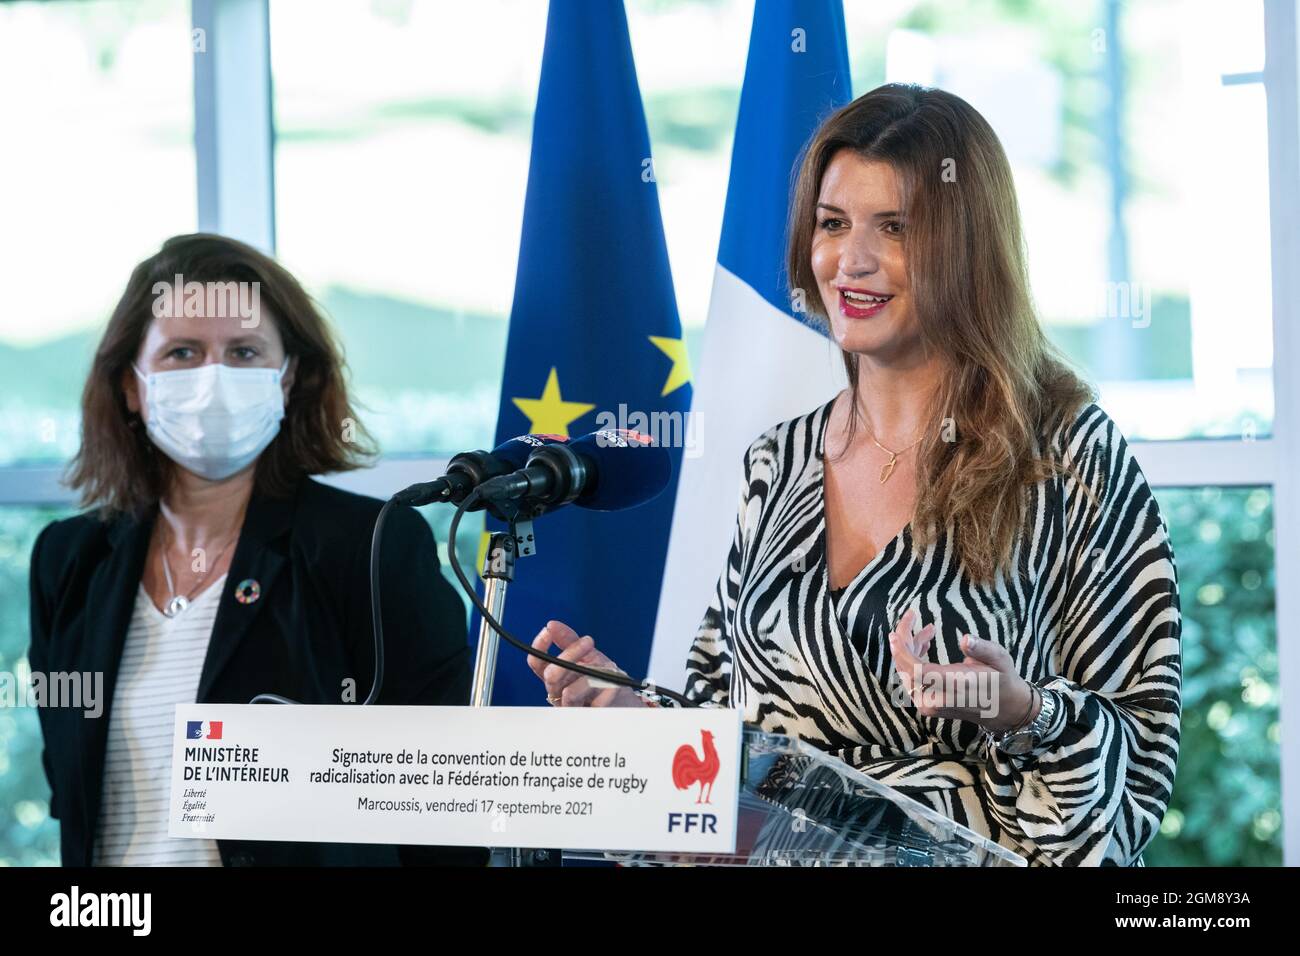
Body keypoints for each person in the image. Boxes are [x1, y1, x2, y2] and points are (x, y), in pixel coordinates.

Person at [528, 84, 1182, 867]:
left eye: (895, 228)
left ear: (968, 246)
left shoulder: (1067, 454)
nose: (852, 260)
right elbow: (722, 737)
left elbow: (1139, 767)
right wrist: (634, 712)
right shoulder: (779, 462)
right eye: (833, 223)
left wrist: (1023, 712)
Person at [28, 233, 485, 866]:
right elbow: (72, 796)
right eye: (182, 352)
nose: (213, 380)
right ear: (130, 386)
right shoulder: (68, 560)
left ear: (288, 376)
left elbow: (447, 797)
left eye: (243, 352)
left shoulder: (368, 545)